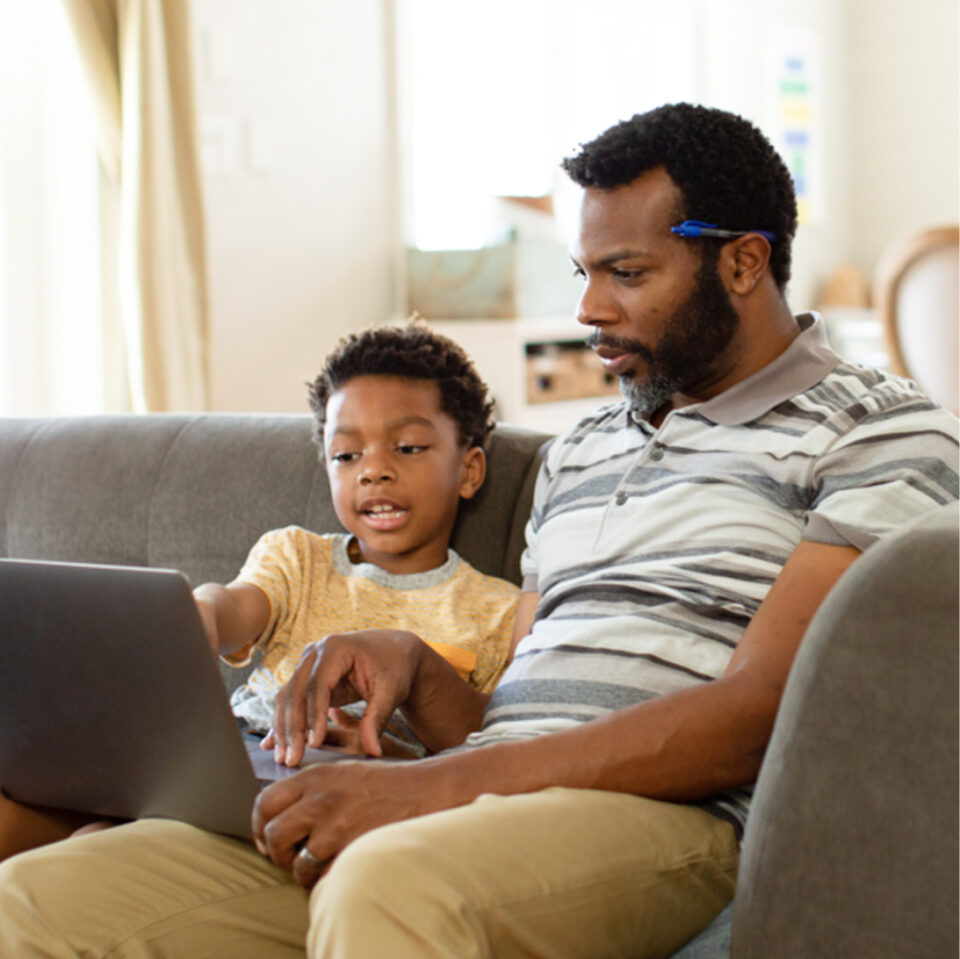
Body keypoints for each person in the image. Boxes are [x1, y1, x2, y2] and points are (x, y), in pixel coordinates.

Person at [1, 102, 957, 959]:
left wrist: (431, 793)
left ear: (744, 261)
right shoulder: (581, 453)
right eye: (585, 272)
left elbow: (754, 718)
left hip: (669, 820)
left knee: (392, 886)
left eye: (626, 273)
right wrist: (415, 672)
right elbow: (523, 697)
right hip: (484, 797)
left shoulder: (882, 432)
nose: (588, 309)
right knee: (38, 898)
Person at [0, 322, 520, 857]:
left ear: (470, 470)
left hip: (336, 794)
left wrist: (393, 756)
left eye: (407, 447)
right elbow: (234, 607)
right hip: (226, 761)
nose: (374, 472)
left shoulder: (498, 611)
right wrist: (199, 612)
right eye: (346, 455)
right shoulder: (297, 556)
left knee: (90, 853)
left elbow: (492, 747)